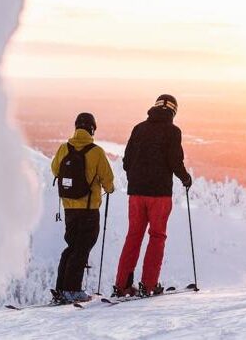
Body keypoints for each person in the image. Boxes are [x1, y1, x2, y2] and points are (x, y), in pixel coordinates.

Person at [113, 94, 192, 297]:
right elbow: (175, 161)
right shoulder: (173, 131)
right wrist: (185, 178)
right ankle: (148, 285)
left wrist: (136, 178)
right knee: (157, 237)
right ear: (173, 111)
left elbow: (126, 161)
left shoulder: (139, 128)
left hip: (136, 193)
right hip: (159, 194)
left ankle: (121, 286)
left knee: (134, 236)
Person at [51, 113, 114, 302]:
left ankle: (61, 288)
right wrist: (109, 189)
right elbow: (107, 179)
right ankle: (72, 290)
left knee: (71, 246)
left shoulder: (64, 148)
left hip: (69, 207)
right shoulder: (96, 152)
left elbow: (55, 169)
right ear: (92, 129)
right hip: (88, 209)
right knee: (82, 248)